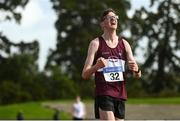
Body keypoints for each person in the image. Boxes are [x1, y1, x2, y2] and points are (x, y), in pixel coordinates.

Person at [82, 8, 141, 121]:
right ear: (102, 23)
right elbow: (84, 74)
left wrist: (136, 70)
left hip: (120, 94)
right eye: (110, 17)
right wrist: (96, 66)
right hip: (104, 92)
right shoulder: (95, 44)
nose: (114, 19)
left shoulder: (124, 44)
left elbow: (138, 75)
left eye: (115, 17)